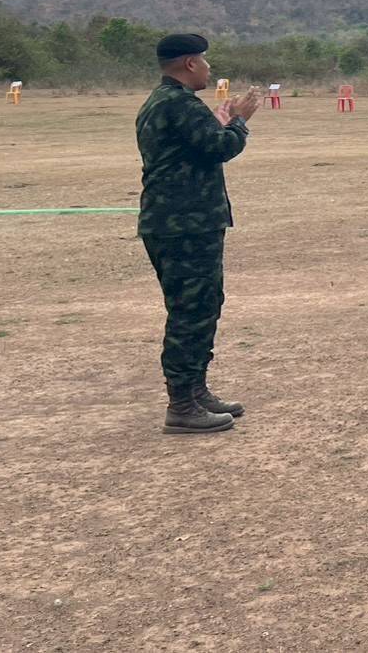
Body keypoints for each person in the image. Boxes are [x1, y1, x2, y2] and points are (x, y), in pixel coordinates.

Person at [136, 33, 262, 434]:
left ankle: (195, 390)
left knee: (203, 305)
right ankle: (181, 405)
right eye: (205, 61)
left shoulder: (165, 102)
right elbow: (220, 148)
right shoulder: (179, 104)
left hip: (180, 222)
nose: (209, 69)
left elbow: (198, 146)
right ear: (190, 63)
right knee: (190, 311)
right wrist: (239, 121)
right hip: (185, 225)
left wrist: (219, 125)